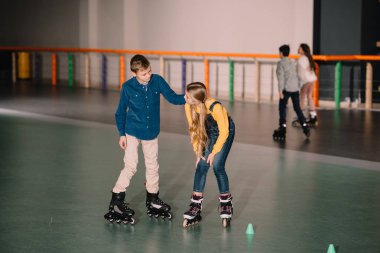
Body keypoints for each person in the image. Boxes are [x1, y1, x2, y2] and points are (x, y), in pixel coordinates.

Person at [104, 54, 186, 224]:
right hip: (132, 131)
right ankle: (116, 202)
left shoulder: (157, 81)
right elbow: (120, 112)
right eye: (144, 74)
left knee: (152, 166)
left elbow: (172, 97)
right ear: (134, 73)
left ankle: (153, 199)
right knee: (131, 166)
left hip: (151, 132)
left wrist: (187, 98)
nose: (148, 76)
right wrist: (121, 134)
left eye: (149, 71)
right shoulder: (127, 87)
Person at [182, 82, 235, 228]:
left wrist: (214, 151)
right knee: (201, 165)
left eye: (187, 96)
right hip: (207, 132)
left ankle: (226, 203)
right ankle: (195, 205)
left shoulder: (215, 107)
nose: (184, 97)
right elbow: (194, 130)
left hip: (225, 132)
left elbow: (224, 132)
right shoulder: (188, 106)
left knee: (217, 165)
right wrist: (197, 151)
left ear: (196, 99)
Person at [273, 45, 310, 141]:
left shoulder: (280, 63)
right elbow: (300, 75)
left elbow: (280, 78)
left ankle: (283, 127)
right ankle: (305, 126)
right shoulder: (293, 62)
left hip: (286, 89)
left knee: (282, 108)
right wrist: (299, 85)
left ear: (281, 53)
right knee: (297, 108)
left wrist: (280, 90)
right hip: (295, 89)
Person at [297, 43, 318, 126]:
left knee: (302, 97)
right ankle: (313, 116)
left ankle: (300, 117)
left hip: (306, 80)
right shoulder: (308, 58)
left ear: (303, 50)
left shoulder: (302, 59)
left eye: (300, 48)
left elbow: (301, 71)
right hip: (312, 79)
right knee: (309, 97)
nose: (298, 49)